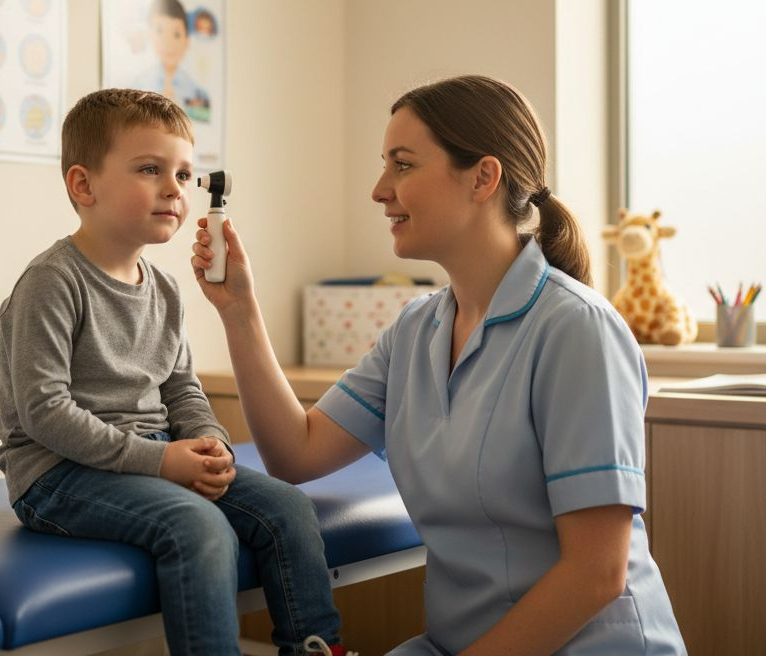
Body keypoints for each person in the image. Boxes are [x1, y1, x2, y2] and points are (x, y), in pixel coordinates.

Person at [192, 75, 686, 655]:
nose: (379, 190)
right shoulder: (416, 331)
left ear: (483, 177)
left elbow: (596, 575)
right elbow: (295, 453)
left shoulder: (576, 329)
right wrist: (239, 311)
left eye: (402, 165)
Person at [0, 88, 354, 656]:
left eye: (184, 175)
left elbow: (180, 386)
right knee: (199, 526)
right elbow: (43, 412)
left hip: (152, 456)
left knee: (287, 508)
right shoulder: (52, 282)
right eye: (149, 169)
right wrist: (161, 461)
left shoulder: (162, 288)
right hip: (57, 474)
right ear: (83, 186)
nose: (174, 189)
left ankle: (313, 648)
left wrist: (207, 441)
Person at [133, 0, 211, 120]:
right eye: (159, 31)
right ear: (149, 36)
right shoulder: (139, 85)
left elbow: (202, 123)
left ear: (187, 41)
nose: (168, 42)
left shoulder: (196, 92)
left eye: (176, 34)